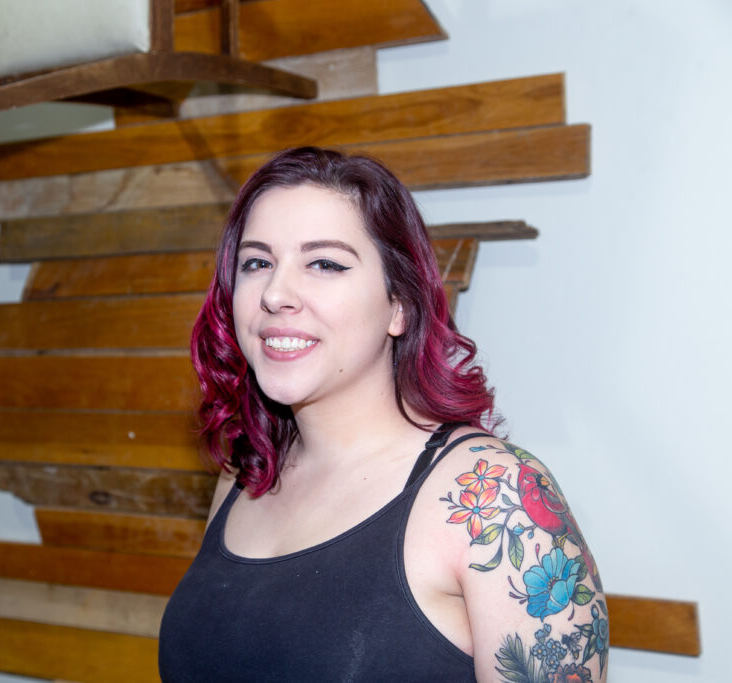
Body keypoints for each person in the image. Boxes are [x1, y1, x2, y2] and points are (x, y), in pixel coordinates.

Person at [157, 147, 607, 682]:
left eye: (324, 263)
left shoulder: (496, 499)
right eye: (257, 262)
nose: (275, 294)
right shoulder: (243, 475)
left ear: (401, 305)